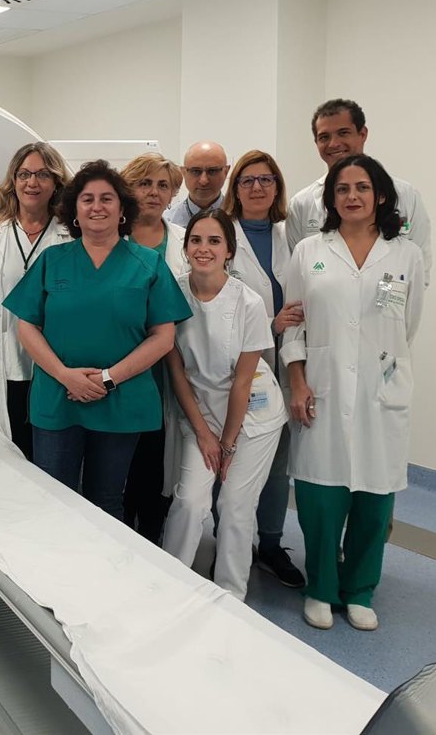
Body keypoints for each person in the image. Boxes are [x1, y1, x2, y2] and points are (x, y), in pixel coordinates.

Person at [281, 155, 424, 632]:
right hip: (321, 384)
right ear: (331, 198)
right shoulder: (310, 251)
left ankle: (360, 589)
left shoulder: (405, 254)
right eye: (342, 189)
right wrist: (297, 380)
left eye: (362, 187)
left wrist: (380, 362)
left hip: (380, 389)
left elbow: (407, 325)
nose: (352, 196)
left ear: (380, 195)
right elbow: (293, 324)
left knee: (375, 495)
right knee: (320, 496)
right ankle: (321, 587)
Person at [3, 160, 191, 521]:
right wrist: (65, 375)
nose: (97, 207)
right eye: (87, 199)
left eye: (107, 198)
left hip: (120, 398)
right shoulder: (52, 260)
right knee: (53, 499)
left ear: (122, 209)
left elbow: (163, 337)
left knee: (106, 501)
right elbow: (26, 327)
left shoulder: (148, 264)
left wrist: (107, 379)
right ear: (74, 211)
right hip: (58, 396)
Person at [161, 209, 288, 601]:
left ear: (229, 251)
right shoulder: (172, 295)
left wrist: (227, 444)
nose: (204, 249)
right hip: (198, 411)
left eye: (214, 241)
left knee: (234, 505)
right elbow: (177, 370)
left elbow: (244, 381)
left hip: (252, 417)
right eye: (196, 240)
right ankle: (168, 587)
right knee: (189, 501)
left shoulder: (248, 302)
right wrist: (203, 433)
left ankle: (231, 597)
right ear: (185, 248)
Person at [0, 142, 72, 460]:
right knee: (6, 453)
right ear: (14, 181)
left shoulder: (71, 236)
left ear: (56, 183)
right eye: (24, 174)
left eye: (43, 175)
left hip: (52, 364)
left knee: (48, 457)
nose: (32, 183)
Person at [222, 150, 306, 588]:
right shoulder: (221, 234)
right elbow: (213, 305)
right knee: (229, 457)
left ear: (277, 187)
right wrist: (269, 325)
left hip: (286, 366)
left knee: (277, 463)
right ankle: (228, 541)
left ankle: (270, 544)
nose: (257, 187)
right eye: (247, 180)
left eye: (266, 180)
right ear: (235, 189)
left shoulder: (290, 236)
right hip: (236, 370)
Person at [287, 99, 431, 285]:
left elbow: (419, 270)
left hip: (386, 299)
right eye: (324, 137)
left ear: (363, 134)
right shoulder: (302, 203)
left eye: (343, 133)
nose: (334, 143)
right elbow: (296, 274)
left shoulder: (405, 195)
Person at [120, 152, 188, 543]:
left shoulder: (185, 240)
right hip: (125, 363)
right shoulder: (111, 237)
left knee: (159, 464)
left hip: (173, 367)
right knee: (121, 463)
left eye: (163, 185)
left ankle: (152, 540)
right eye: (144, 183)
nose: (154, 192)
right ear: (128, 188)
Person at [164, 141, 229, 227]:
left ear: (226, 172)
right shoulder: (166, 222)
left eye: (212, 171)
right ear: (183, 172)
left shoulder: (241, 219)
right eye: (195, 171)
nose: (204, 181)